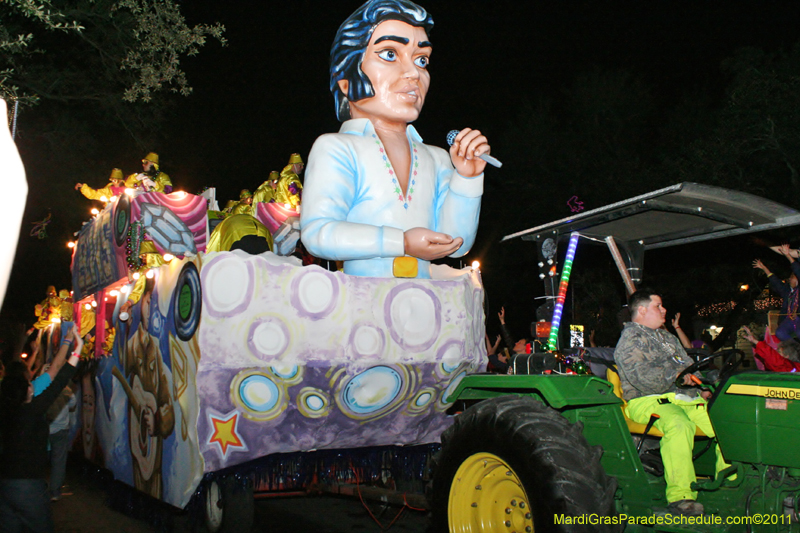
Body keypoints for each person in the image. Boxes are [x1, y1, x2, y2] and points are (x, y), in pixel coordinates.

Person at [300, 0, 490, 279]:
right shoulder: (337, 149)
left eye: (421, 60)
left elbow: (456, 244)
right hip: (361, 305)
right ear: (346, 79)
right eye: (389, 54)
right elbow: (318, 233)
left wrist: (468, 179)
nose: (414, 73)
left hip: (426, 305)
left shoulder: (437, 158)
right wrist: (401, 242)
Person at [614, 289, 727, 517]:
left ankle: (729, 486)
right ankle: (681, 498)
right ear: (642, 310)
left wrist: (702, 388)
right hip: (646, 401)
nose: (664, 310)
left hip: (682, 399)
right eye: (658, 306)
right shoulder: (630, 340)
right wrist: (676, 376)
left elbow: (687, 367)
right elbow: (643, 379)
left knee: (726, 422)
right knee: (679, 424)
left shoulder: (667, 339)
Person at [0, 326, 83, 532]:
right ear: (26, 392)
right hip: (28, 487)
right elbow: (59, 380)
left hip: (4, 486)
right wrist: (77, 348)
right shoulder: (32, 410)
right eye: (28, 384)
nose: (31, 384)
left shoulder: (6, 413)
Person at [754, 243, 800, 340]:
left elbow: (797, 269)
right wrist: (764, 268)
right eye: (791, 277)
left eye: (794, 277)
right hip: (789, 319)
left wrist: (787, 255)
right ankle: (795, 350)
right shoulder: (787, 291)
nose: (791, 279)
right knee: (779, 332)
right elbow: (775, 281)